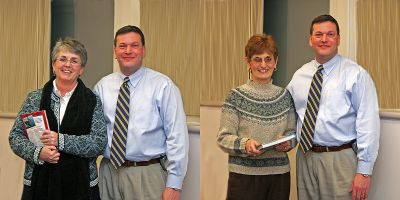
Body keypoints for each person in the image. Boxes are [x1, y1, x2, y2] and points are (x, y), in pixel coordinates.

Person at [287, 14, 380, 200]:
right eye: (318, 34)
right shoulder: (299, 76)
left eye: (330, 34)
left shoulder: (355, 75)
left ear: (338, 39)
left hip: (340, 159)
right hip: (305, 157)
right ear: (310, 40)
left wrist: (364, 171)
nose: (324, 39)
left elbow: (368, 124)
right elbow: (291, 116)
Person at [93, 25, 189, 200]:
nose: (128, 51)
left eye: (134, 45)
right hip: (108, 172)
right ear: (115, 51)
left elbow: (177, 136)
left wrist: (175, 183)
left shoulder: (163, 86)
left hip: (147, 175)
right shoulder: (102, 87)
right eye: (122, 46)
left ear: (143, 50)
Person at [9, 38, 108, 200]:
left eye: (74, 61)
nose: (67, 64)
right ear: (53, 65)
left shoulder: (92, 101)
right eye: (62, 59)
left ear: (81, 69)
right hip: (39, 184)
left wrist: (60, 140)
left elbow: (98, 143)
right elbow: (15, 137)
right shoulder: (35, 99)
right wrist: (38, 153)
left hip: (81, 186)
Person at [217, 34, 297, 200]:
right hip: (244, 177)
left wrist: (288, 142)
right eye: (257, 59)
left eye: (268, 59)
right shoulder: (236, 96)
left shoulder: (285, 96)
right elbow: (223, 138)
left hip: (279, 176)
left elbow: (293, 133)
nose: (263, 65)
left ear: (276, 62)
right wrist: (245, 144)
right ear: (248, 62)